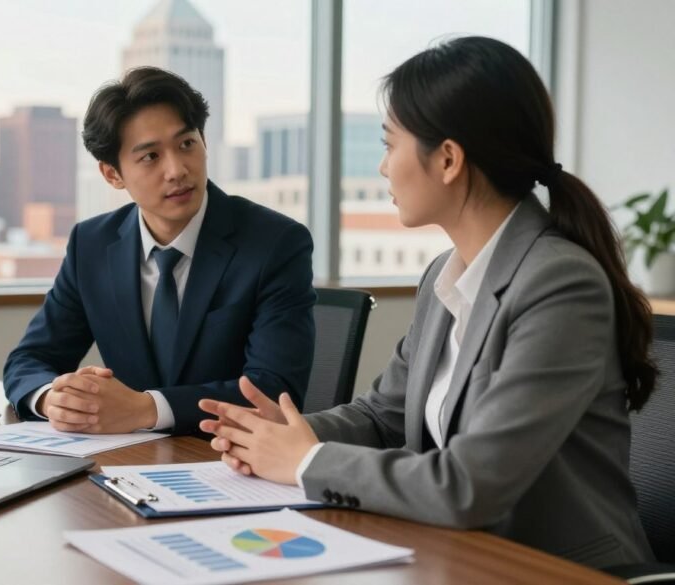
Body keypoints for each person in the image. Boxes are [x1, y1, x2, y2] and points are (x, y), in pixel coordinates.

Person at [200, 36, 656, 568]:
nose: (383, 167)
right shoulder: (446, 275)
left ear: (447, 159)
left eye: (390, 145)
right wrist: (286, 437)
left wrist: (307, 462)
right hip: (457, 556)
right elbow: (382, 416)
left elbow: (469, 485)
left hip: (553, 569)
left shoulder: (560, 284)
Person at [4, 66, 315, 436]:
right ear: (112, 175)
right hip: (127, 464)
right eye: (150, 156)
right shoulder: (92, 244)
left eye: (187, 144)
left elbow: (273, 389)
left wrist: (145, 409)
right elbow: (30, 359)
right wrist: (52, 399)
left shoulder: (275, 243)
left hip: (227, 461)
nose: (177, 170)